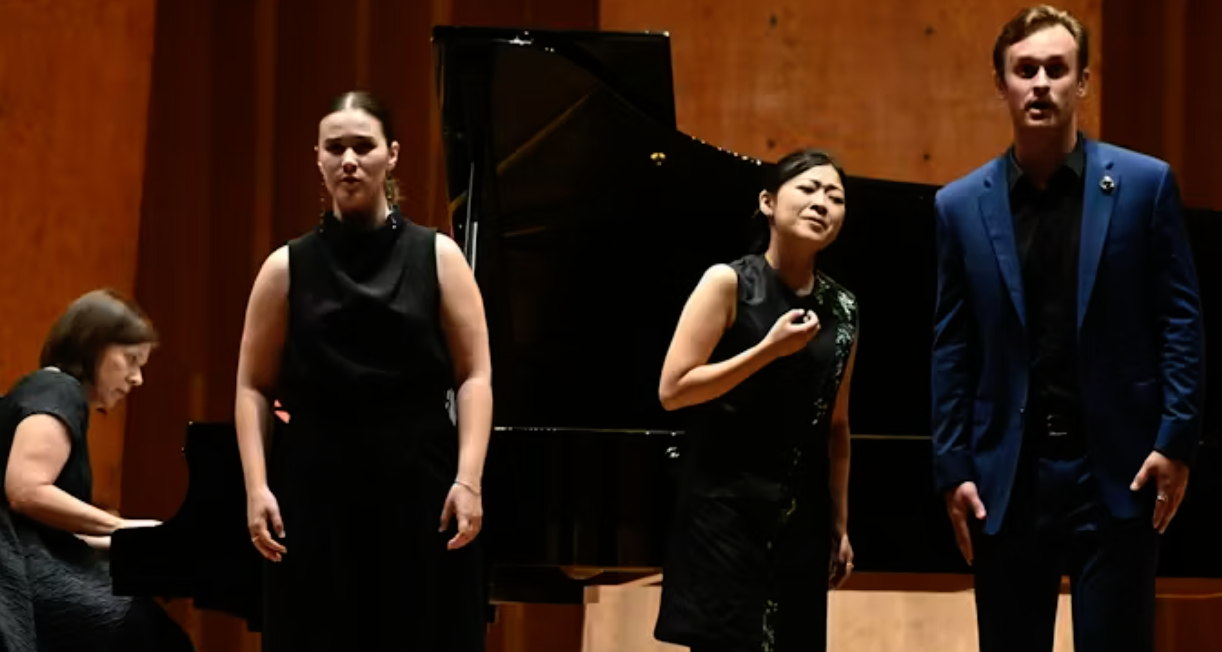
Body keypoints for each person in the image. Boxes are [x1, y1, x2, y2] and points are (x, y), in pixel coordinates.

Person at [930, 6, 1205, 652]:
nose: (1041, 83)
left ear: (1083, 82)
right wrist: (952, 467)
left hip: (1117, 470)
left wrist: (1177, 441)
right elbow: (952, 346)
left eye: (1058, 69)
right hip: (1008, 477)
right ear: (1001, 83)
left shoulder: (1145, 185)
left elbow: (1181, 321)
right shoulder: (958, 206)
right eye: (1025, 70)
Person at [235, 90, 492, 651]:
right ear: (319, 159)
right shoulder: (285, 268)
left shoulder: (439, 257)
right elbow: (252, 385)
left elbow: (474, 376)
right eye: (335, 148)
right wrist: (256, 487)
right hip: (314, 489)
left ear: (392, 155)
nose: (349, 159)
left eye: (363, 146)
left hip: (420, 486)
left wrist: (468, 480)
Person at [652, 149, 858, 652]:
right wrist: (766, 351)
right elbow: (673, 390)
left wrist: (840, 521)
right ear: (768, 202)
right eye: (807, 190)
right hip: (724, 511)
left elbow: (836, 424)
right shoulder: (727, 283)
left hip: (800, 518)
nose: (822, 204)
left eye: (835, 197)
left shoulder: (844, 307)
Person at [0, 289, 195, 652]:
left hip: (25, 567)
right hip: (17, 582)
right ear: (93, 346)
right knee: (148, 633)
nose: (138, 379)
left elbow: (41, 528)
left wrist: (139, 538)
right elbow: (26, 491)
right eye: (131, 359)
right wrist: (121, 527)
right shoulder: (58, 388)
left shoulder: (52, 391)